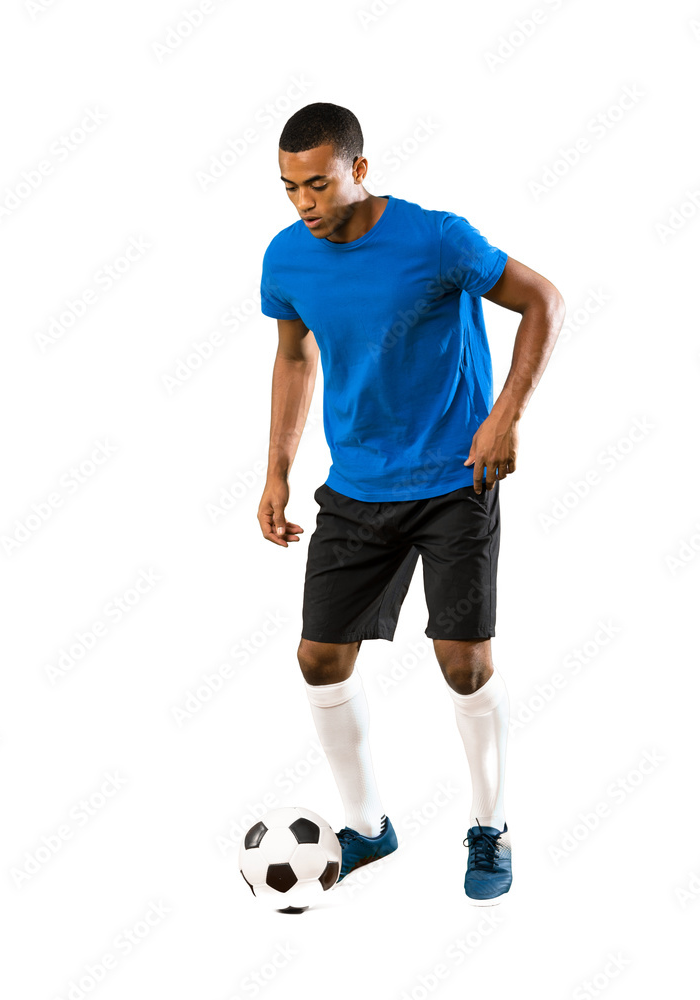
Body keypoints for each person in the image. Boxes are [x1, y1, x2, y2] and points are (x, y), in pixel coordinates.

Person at [257, 102, 564, 905]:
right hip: (356, 489)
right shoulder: (287, 260)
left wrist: (504, 416)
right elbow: (294, 356)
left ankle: (489, 826)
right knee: (318, 658)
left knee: (463, 664)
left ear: (359, 168)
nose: (305, 205)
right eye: (290, 189)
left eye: (318, 184)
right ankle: (366, 828)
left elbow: (544, 301)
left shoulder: (437, 239)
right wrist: (277, 470)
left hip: (453, 481)